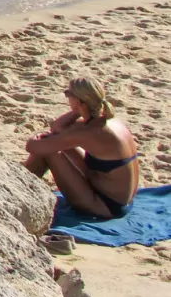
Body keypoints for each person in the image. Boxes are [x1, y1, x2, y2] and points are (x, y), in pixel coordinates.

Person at [23, 77, 139, 218]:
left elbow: (32, 147)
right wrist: (80, 108)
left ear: (78, 101)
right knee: (52, 143)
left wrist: (38, 138)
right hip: (120, 200)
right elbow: (57, 128)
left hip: (106, 207)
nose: (66, 97)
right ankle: (21, 185)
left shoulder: (89, 132)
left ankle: (18, 188)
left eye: (68, 94)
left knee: (48, 151)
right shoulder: (109, 121)